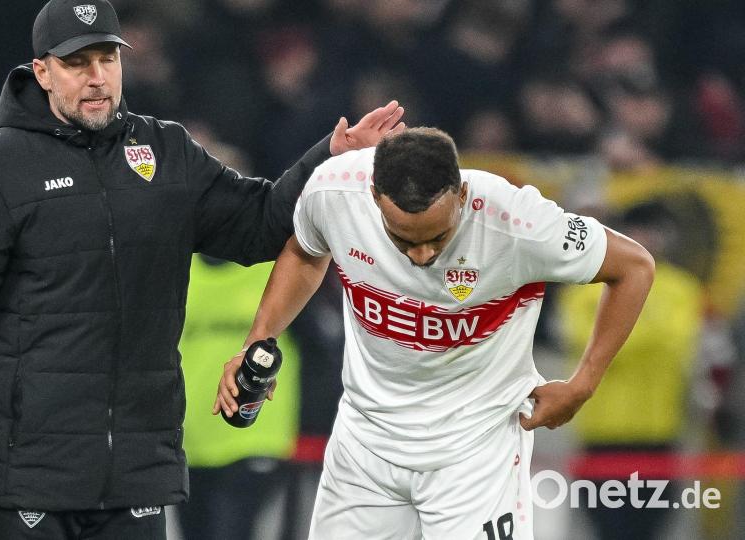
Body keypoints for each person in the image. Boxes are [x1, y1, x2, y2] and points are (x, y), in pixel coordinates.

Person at [0, 0, 405, 538]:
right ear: (42, 71)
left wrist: (328, 158)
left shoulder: (164, 151)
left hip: (137, 476)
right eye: (78, 63)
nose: (98, 77)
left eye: (108, 59)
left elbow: (258, 224)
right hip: (24, 478)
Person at [215, 127, 656, 538]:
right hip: (365, 446)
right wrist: (258, 339)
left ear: (462, 193)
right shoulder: (335, 193)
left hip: (476, 452)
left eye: (438, 237)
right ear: (373, 196)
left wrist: (584, 383)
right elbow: (305, 250)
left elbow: (634, 266)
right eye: (403, 239)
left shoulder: (518, 222)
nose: (422, 255)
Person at [560, 201, 703, 540]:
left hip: (656, 432)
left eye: (654, 230)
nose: (646, 237)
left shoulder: (683, 289)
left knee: (651, 528)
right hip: (600, 432)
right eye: (636, 229)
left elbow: (677, 340)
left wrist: (616, 333)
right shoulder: (584, 287)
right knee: (603, 528)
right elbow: (583, 338)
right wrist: (643, 330)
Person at [176, 255, 301, 540]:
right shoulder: (181, 266)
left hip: (254, 435)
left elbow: (320, 344)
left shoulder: (275, 269)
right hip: (191, 439)